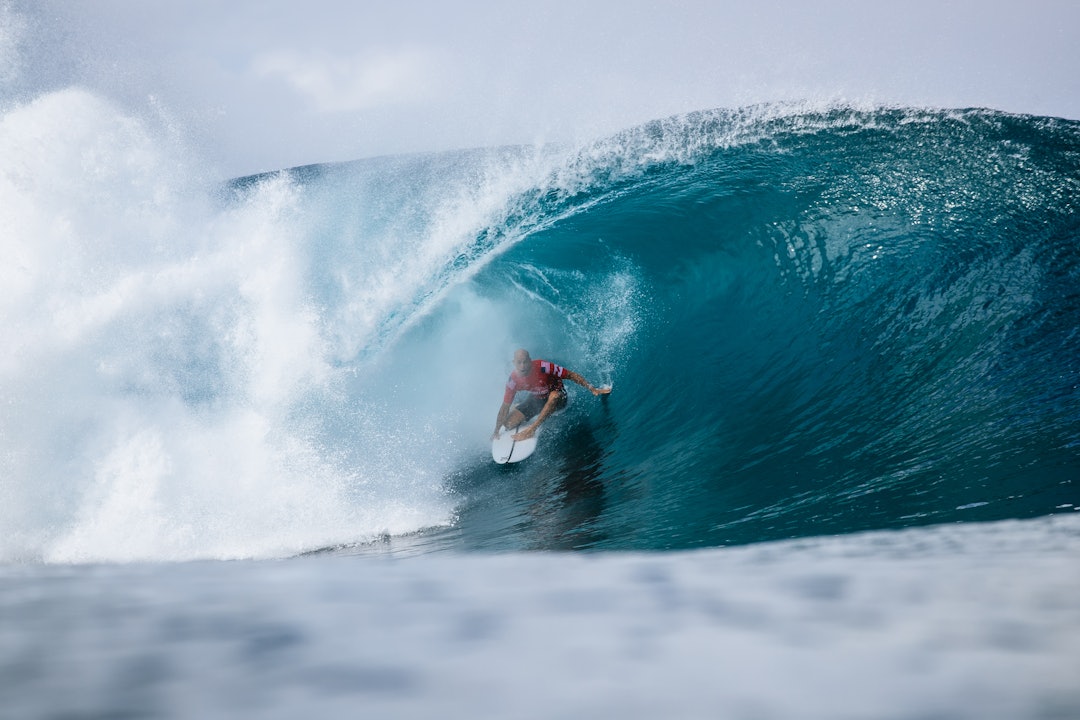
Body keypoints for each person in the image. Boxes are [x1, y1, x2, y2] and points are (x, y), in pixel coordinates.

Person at [493, 348, 611, 441]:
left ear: (530, 361)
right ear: (514, 363)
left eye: (525, 362)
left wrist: (592, 389)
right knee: (508, 424)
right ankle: (518, 407)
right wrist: (496, 431)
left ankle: (532, 429)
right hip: (537, 399)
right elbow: (504, 407)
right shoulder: (513, 380)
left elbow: (571, 375)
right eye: (519, 363)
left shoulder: (543, 367)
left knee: (554, 396)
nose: (522, 366)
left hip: (559, 397)